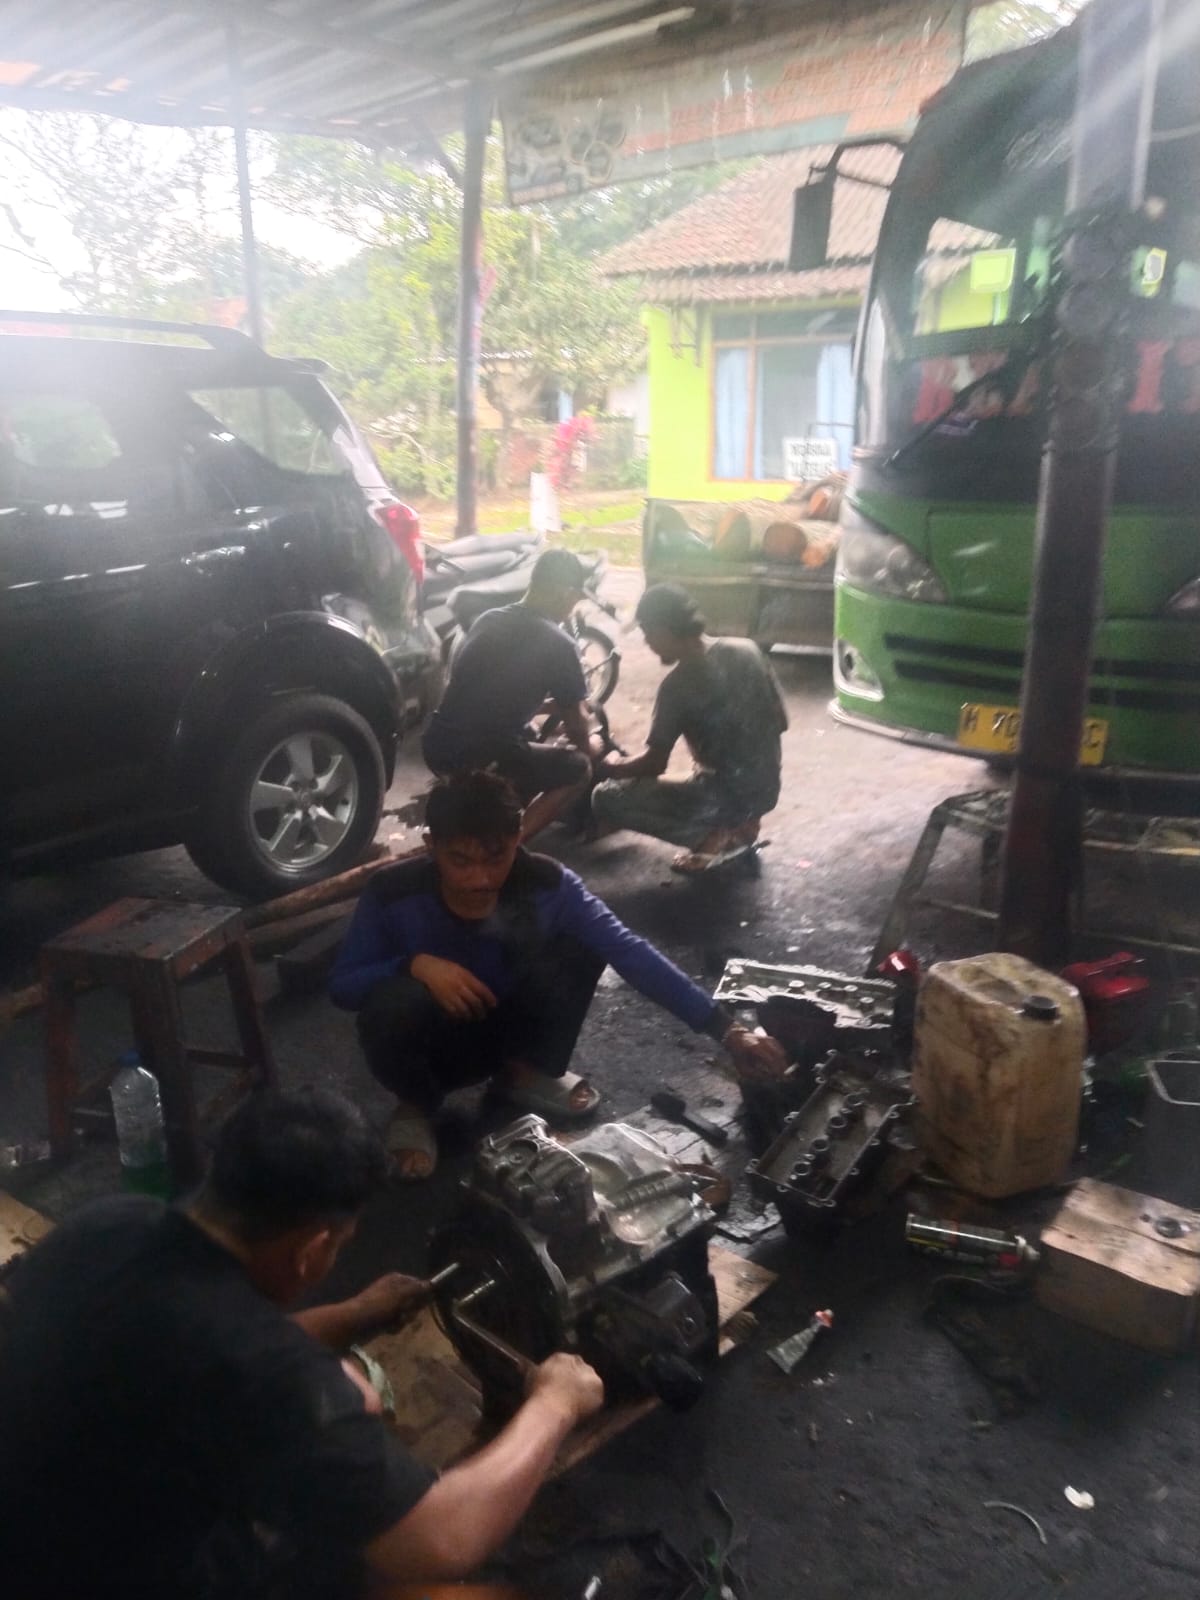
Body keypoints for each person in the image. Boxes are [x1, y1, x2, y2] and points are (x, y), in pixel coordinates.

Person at [0, 1088, 604, 1600]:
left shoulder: (107, 1224)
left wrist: (351, 1314)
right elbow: (440, 1539)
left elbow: (182, 1345)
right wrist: (554, 1403)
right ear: (313, 1250)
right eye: (340, 1244)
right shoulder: (265, 1374)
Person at [331, 770, 789, 1180]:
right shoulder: (390, 891)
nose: (479, 878)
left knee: (585, 943)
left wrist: (727, 1030)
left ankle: (524, 1072)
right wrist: (415, 965)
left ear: (518, 838)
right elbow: (344, 984)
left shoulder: (550, 884)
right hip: (434, 1043)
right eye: (460, 861)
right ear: (431, 846)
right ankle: (415, 1106)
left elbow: (629, 951)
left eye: (496, 858)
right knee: (391, 1003)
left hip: (511, 1027)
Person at [592, 584, 789, 871]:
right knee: (706, 774)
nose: (647, 643)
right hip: (766, 789)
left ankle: (711, 839)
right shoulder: (747, 650)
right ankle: (744, 824)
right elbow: (781, 721)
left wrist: (612, 766)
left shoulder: (676, 687)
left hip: (720, 796)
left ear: (663, 630)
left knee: (607, 796)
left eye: (647, 633)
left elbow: (654, 764)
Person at [422, 546, 597, 839]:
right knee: (579, 768)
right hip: (477, 754)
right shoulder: (559, 643)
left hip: (438, 744)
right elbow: (578, 727)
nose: (572, 609)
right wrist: (590, 749)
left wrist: (549, 707)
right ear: (564, 593)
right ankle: (509, 845)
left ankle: (490, 815)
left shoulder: (488, 619)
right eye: (574, 600)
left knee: (528, 734)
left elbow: (489, 695)